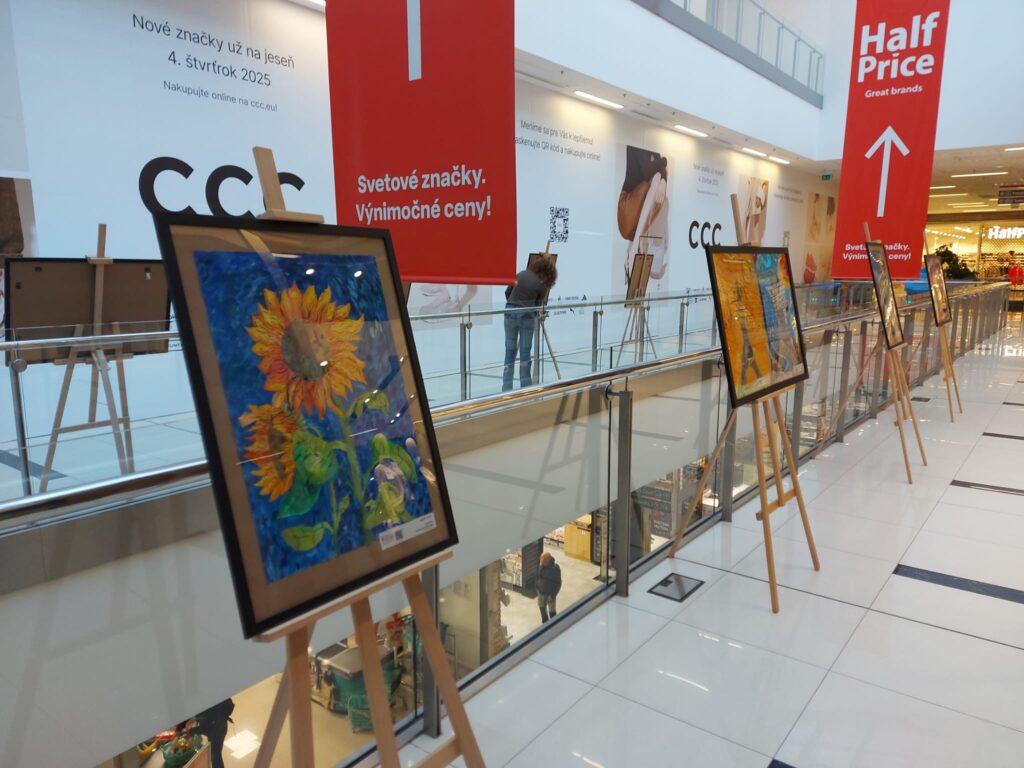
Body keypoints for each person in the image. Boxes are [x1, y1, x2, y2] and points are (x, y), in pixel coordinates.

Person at [502, 255, 558, 391]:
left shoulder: (521, 274)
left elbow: (507, 292)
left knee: (509, 351)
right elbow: (538, 306)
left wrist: (514, 305)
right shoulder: (542, 285)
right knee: (525, 353)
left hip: (509, 311)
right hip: (527, 316)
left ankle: (506, 389)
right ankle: (525, 388)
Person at [193, 697, 234, 768]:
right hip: (217, 726)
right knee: (215, 754)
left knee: (215, 756)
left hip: (218, 730)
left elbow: (206, 726)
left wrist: (191, 732)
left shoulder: (208, 706)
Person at [534, 552, 562, 623]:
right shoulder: (541, 566)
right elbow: (537, 577)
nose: (541, 562)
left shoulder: (555, 569)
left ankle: (553, 625)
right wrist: (537, 587)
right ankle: (545, 624)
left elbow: (558, 584)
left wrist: (552, 595)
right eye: (541, 560)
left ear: (548, 560)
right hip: (541, 593)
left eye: (542, 561)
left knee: (552, 612)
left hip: (550, 594)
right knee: (542, 612)